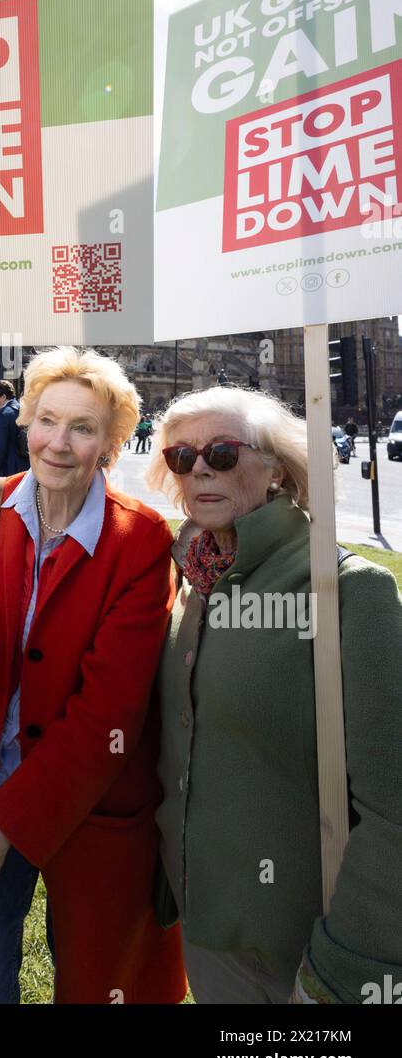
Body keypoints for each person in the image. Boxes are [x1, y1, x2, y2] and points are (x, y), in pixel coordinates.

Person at [0, 347, 185, 1004]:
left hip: (91, 805)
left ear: (110, 445)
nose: (57, 444)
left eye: (83, 428)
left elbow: (108, 712)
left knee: (98, 983)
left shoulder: (141, 539)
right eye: (45, 420)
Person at [145, 386, 402, 1004]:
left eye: (224, 453)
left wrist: (345, 968)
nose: (199, 467)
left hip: (303, 950)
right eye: (182, 457)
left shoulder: (344, 589)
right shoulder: (192, 579)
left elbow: (393, 806)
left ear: (278, 468)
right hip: (209, 928)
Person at [0, 380, 29, 477]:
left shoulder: (3, 414)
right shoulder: (24, 410)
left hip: (9, 468)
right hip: (26, 465)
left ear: (3, 397)